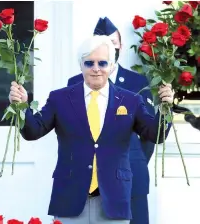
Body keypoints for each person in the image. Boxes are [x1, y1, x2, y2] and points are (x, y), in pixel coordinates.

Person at [9, 35, 174, 224]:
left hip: (114, 200)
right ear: (81, 65)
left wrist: (165, 109)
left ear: (111, 66)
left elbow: (155, 134)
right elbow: (33, 131)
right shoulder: (60, 98)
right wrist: (22, 107)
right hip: (69, 199)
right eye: (89, 63)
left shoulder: (130, 100)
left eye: (102, 63)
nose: (96, 68)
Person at [68, 17, 155, 224]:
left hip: (131, 174)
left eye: (113, 44)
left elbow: (149, 134)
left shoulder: (138, 81)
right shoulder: (75, 83)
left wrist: (134, 159)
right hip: (88, 181)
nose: (107, 49)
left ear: (120, 47)